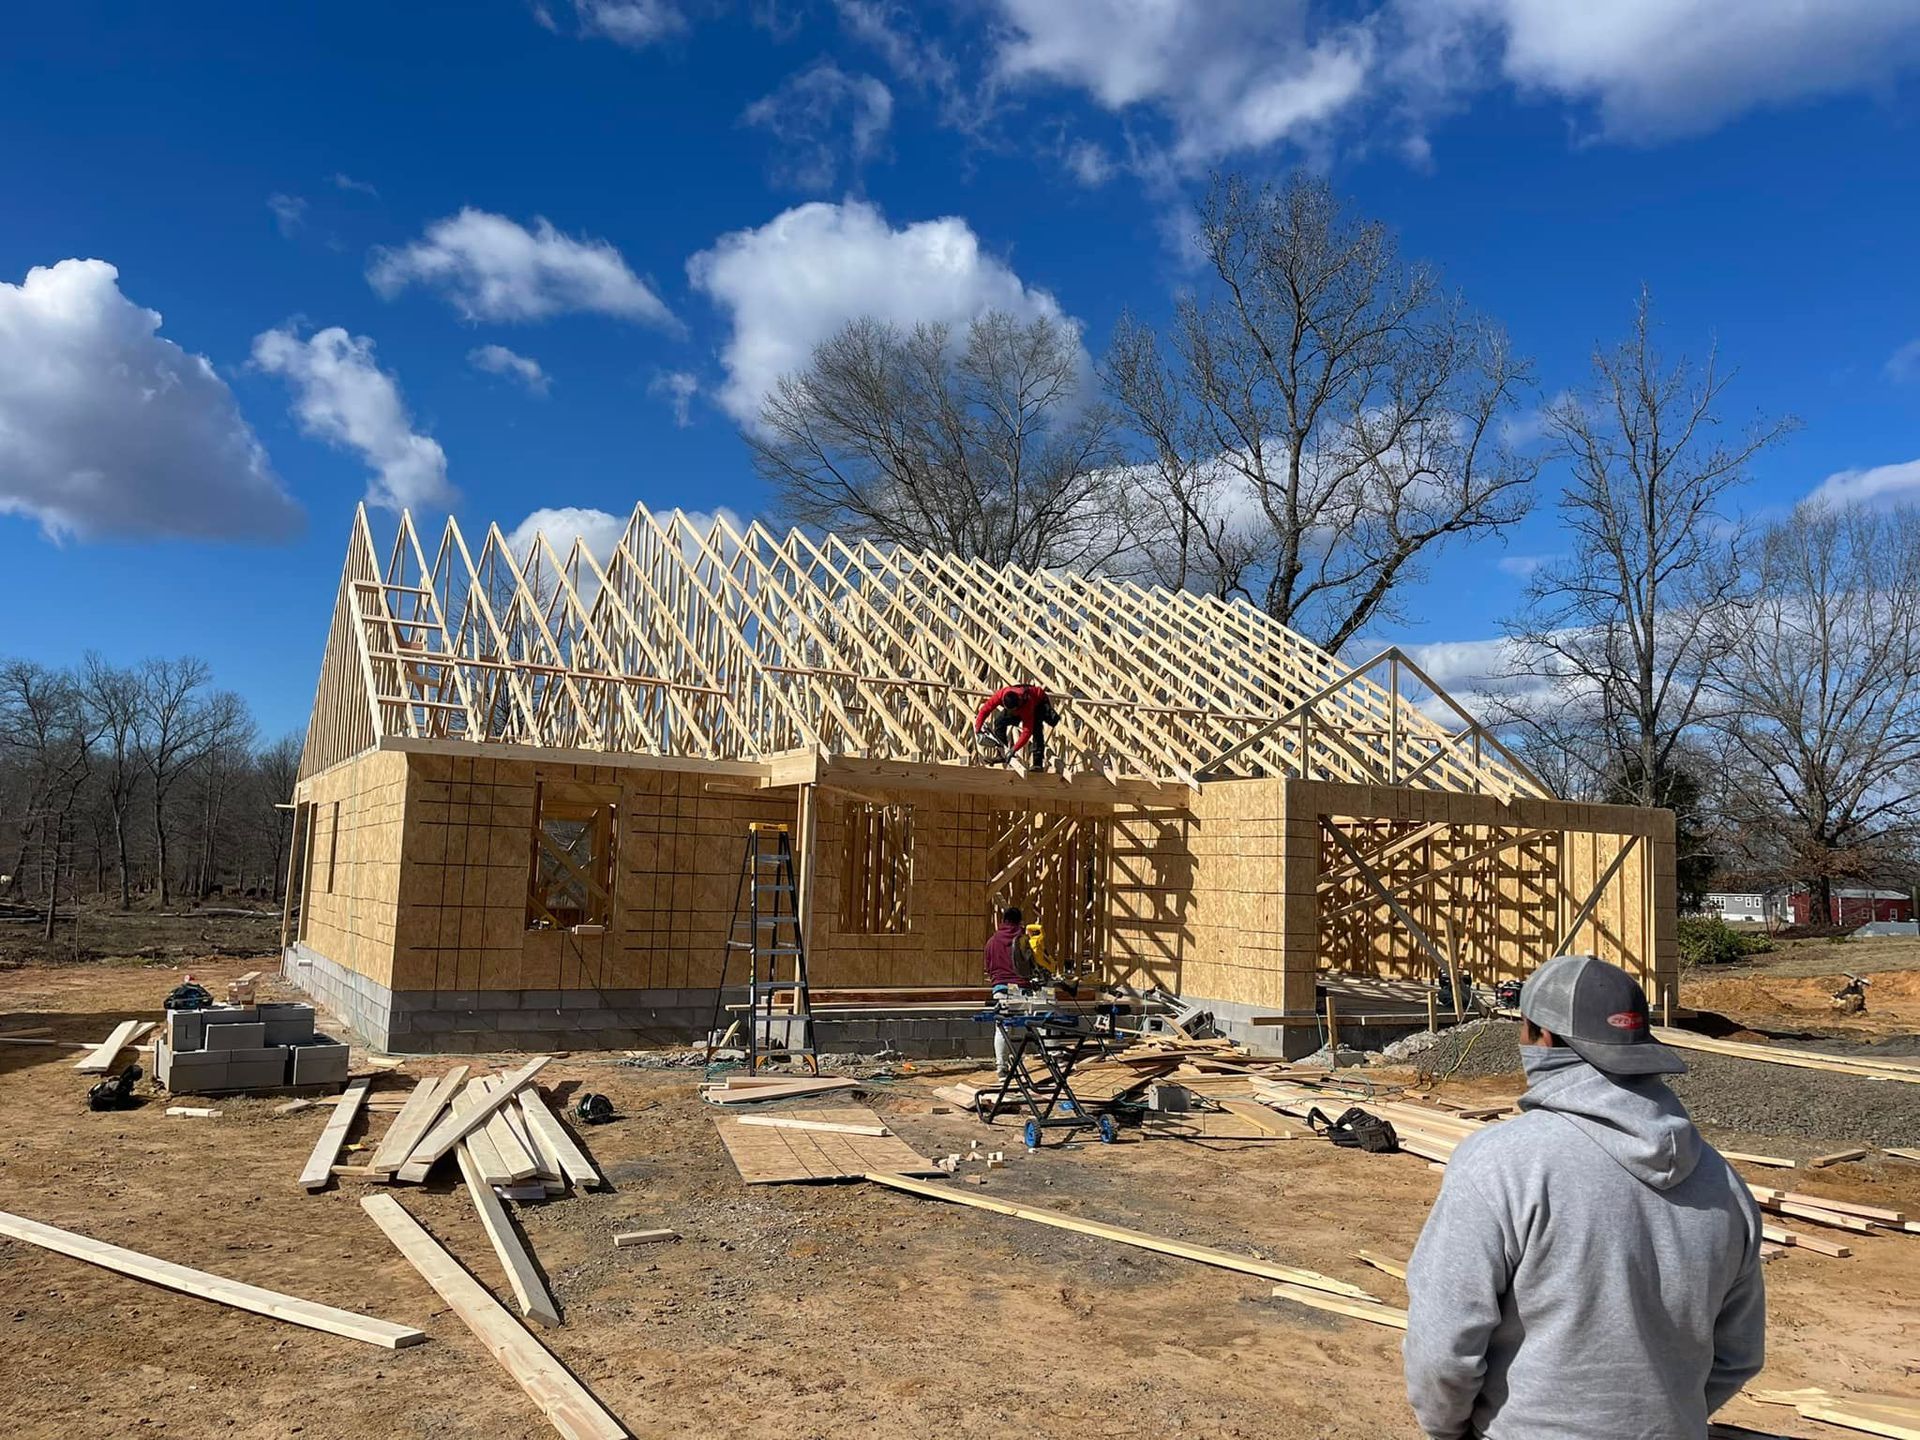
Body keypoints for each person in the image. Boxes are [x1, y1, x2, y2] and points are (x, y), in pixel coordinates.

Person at [1403, 953, 1765, 1440]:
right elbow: (1738, 1353)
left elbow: (1443, 1346)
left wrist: (1448, 1431)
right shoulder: (1723, 1181)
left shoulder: (1502, 1164)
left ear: (1542, 1037)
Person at [983, 905, 1036, 1076]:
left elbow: (988, 967)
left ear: (1003, 920)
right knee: (1039, 1022)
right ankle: (1055, 1056)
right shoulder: (1023, 940)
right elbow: (1032, 964)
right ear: (1020, 921)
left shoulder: (992, 941)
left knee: (1002, 1028)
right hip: (1022, 989)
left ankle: (1001, 1067)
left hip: (1001, 989)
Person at [974, 683, 1061, 771]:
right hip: (1018, 705)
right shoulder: (1001, 695)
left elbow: (1027, 731)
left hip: (1039, 702)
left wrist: (1013, 750)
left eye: (1014, 711)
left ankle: (1037, 764)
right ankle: (1001, 754)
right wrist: (978, 730)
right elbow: (984, 710)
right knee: (999, 722)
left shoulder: (1027, 703)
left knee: (1036, 729)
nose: (1013, 713)